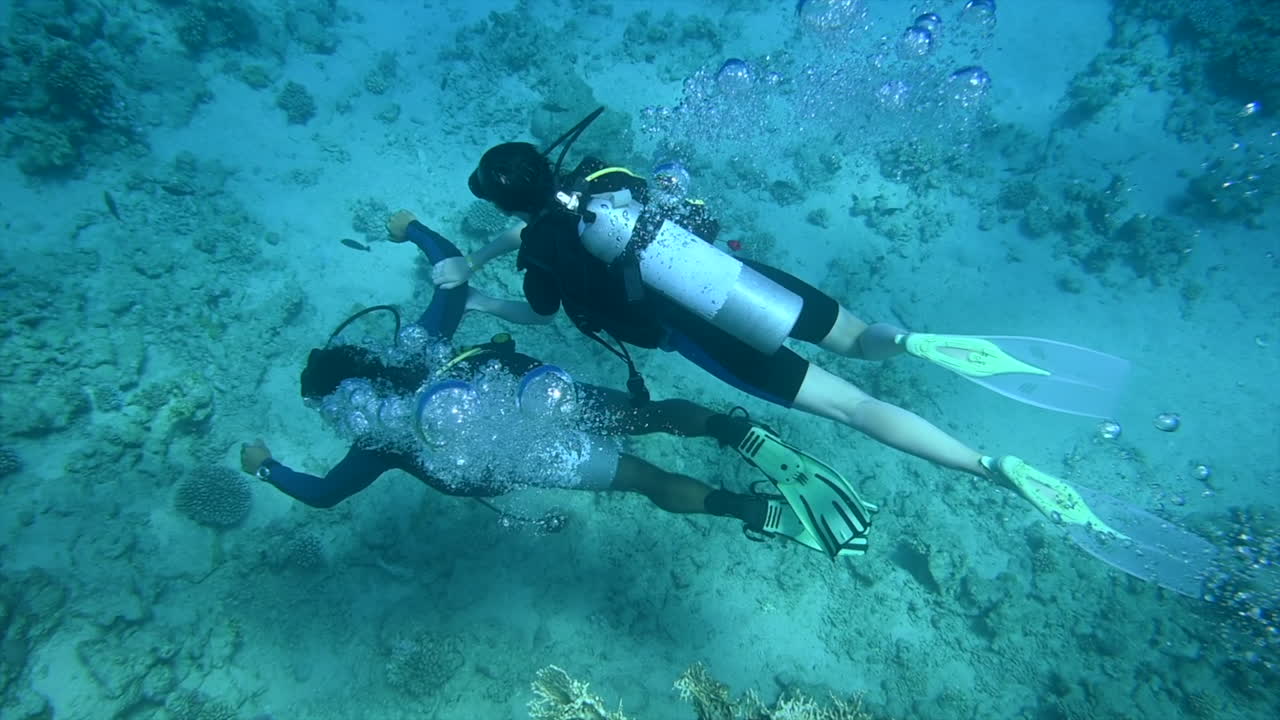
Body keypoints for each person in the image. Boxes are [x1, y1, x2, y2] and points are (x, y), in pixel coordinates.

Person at [415, 107, 1137, 552]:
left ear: (506, 205)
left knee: (852, 407)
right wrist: (489, 249)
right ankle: (912, 343)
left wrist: (479, 300)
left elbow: (542, 305)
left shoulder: (541, 253)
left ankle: (989, 466)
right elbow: (596, 211)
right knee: (862, 341)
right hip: (743, 286)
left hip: (703, 336)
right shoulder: (605, 178)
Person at [240, 214, 877, 557]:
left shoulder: (373, 438)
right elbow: (453, 277)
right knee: (649, 415)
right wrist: (413, 231)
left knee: (645, 481)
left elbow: (323, 494)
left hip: (521, 455)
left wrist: (265, 466)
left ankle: (744, 509)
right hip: (542, 395)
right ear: (366, 353)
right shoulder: (420, 345)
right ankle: (731, 429)